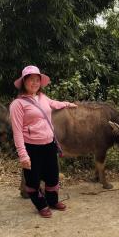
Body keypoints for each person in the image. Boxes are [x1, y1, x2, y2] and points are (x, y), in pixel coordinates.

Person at [10, 65, 77, 218]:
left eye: (37, 80)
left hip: (49, 144)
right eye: (31, 80)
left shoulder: (42, 97)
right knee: (33, 180)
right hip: (31, 147)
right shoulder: (17, 104)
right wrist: (23, 155)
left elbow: (54, 104)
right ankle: (41, 205)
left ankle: (53, 201)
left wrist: (67, 104)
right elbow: (17, 132)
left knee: (53, 176)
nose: (34, 83)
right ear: (24, 82)